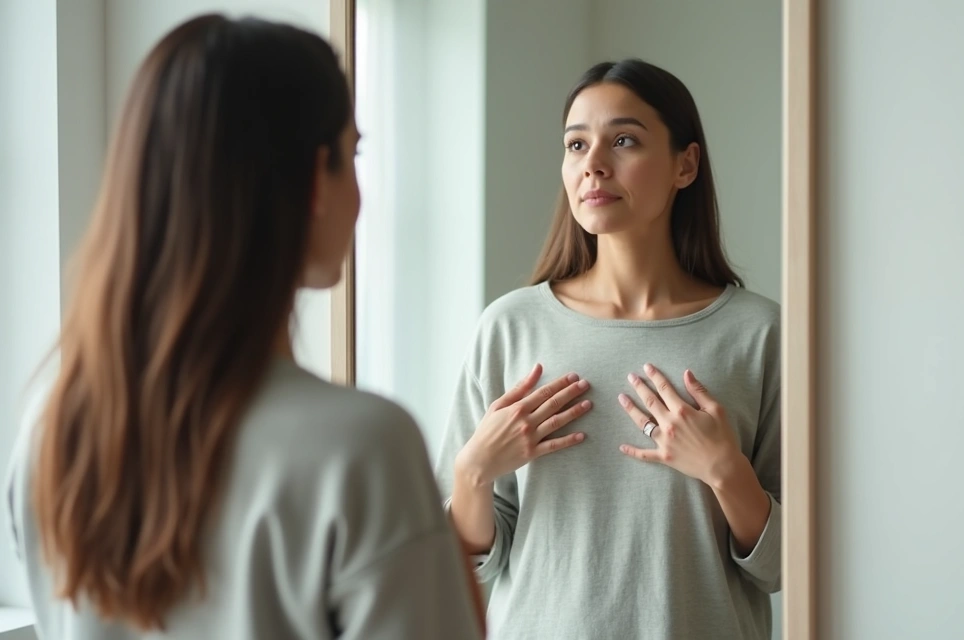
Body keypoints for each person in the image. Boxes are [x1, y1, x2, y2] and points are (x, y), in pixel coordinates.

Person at [3, 14, 482, 640]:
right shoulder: (361, 449)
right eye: (353, 153)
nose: (360, 193)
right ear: (315, 177)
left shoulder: (51, 424)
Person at [436, 58, 782, 640]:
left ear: (685, 164)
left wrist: (726, 473)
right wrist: (472, 472)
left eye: (623, 140)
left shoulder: (759, 334)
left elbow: (790, 565)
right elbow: (461, 566)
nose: (593, 165)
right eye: (575, 145)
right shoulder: (509, 326)